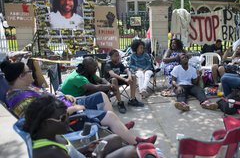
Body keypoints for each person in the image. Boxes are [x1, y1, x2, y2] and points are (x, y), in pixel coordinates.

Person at [0, 60, 157, 145]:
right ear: (20, 76)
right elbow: (43, 117)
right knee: (109, 115)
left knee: (102, 95)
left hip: (67, 104)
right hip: (68, 118)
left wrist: (64, 95)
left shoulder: (28, 88)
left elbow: (50, 99)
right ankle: (137, 142)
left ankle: (116, 128)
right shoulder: (20, 99)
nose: (32, 74)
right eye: (29, 72)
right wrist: (74, 107)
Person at [23, 95, 138, 158]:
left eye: (67, 115)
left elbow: (68, 151)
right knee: (130, 152)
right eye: (63, 118)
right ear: (45, 124)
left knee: (115, 138)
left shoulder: (51, 135)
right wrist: (98, 155)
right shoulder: (50, 152)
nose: (68, 120)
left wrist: (86, 148)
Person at [104, 49, 144, 113]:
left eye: (118, 55)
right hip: (110, 82)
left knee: (133, 76)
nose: (118, 57)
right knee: (114, 79)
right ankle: (120, 103)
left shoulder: (120, 64)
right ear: (111, 57)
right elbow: (112, 74)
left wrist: (129, 77)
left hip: (119, 80)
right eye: (115, 56)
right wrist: (125, 79)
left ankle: (132, 100)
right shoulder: (108, 64)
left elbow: (127, 70)